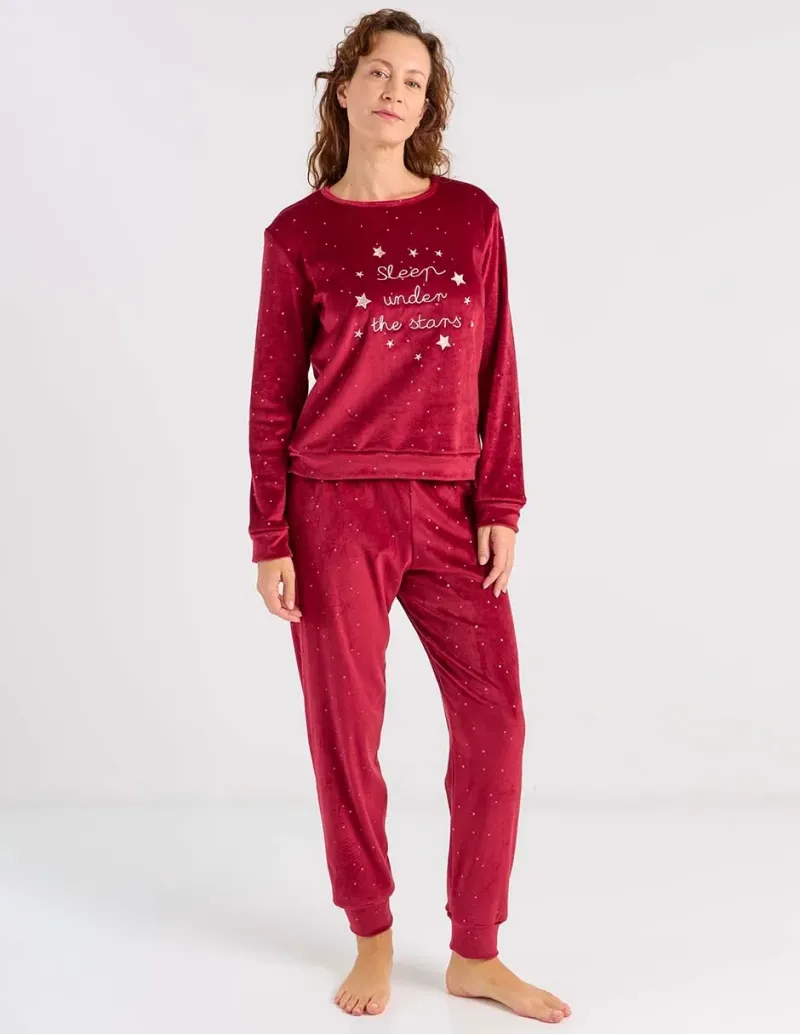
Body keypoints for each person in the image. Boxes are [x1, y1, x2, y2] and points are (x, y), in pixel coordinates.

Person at [247, 9, 572, 1024]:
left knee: (496, 720)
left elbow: (497, 365)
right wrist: (269, 534)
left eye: (415, 81)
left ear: (427, 107)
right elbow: (270, 396)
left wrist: (501, 498)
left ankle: (476, 950)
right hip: (331, 508)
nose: (395, 90)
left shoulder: (471, 218)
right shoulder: (297, 235)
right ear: (342, 88)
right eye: (379, 72)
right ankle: (372, 932)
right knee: (346, 733)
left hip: (447, 505)